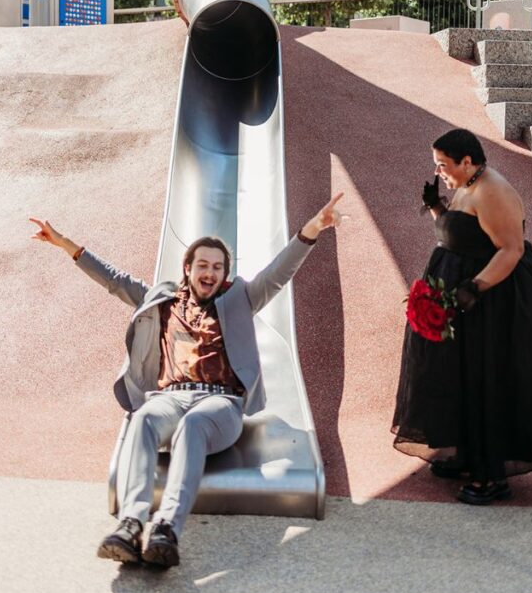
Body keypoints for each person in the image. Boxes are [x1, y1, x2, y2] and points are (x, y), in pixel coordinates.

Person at [30, 192, 344, 567]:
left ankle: (167, 528)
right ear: (188, 268)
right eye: (202, 265)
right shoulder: (162, 299)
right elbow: (113, 280)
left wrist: (312, 229)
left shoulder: (241, 297)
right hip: (170, 397)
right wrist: (65, 243)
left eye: (217, 267)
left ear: (225, 273)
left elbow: (279, 273)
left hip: (219, 404)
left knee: (193, 425)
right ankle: (131, 523)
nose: (209, 273)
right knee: (144, 417)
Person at [392, 128, 532, 505]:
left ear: (467, 160)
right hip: (461, 298)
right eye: (436, 165)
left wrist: (473, 288)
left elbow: (510, 251)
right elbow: (463, 234)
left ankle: (490, 475)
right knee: (457, 374)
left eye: (444, 165)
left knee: (486, 378)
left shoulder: (494, 191)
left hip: (492, 303)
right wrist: (437, 208)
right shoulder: (468, 182)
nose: (439, 171)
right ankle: (464, 451)